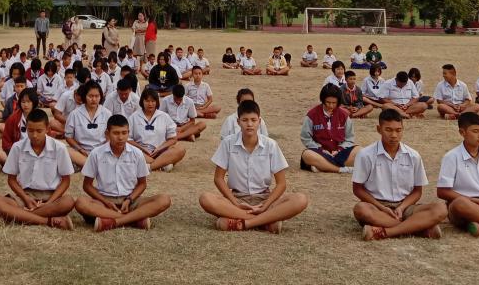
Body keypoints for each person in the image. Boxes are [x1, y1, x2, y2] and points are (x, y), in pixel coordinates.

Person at [200, 99, 308, 233]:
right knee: (206, 198)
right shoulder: (228, 143)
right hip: (237, 199)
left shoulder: (270, 145)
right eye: (245, 120)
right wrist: (235, 202)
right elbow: (218, 178)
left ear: (259, 121)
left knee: (300, 199)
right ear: (238, 122)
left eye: (253, 120)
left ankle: (245, 223)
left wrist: (265, 205)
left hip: (265, 199)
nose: (249, 124)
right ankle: (265, 221)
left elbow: (281, 184)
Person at [352, 109, 447, 241]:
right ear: (379, 129)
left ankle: (386, 232)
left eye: (398, 130)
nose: (394, 135)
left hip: (406, 207)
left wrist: (402, 208)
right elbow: (357, 189)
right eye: (388, 130)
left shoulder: (413, 156)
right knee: (361, 209)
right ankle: (419, 228)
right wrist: (381, 207)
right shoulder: (365, 155)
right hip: (377, 206)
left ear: (403, 129)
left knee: (441, 209)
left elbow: (417, 191)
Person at [74, 114, 172, 231]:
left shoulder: (137, 154)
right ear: (107, 134)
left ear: (128, 133)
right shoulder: (96, 153)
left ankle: (115, 221)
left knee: (164, 200)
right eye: (116, 133)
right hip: (104, 202)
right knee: (80, 202)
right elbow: (87, 185)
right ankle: (133, 219)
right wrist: (105, 202)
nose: (120, 137)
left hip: (131, 201)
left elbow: (142, 184)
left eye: (124, 133)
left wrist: (129, 199)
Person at [0, 108, 75, 229]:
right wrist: (26, 198)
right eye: (30, 130)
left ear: (48, 129)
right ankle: (47, 221)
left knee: (68, 201)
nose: (34, 135)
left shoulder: (59, 148)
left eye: (39, 131)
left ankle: (19, 216)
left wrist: (49, 203)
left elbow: (66, 180)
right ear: (26, 128)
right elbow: (11, 179)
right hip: (25, 195)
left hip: (51, 197)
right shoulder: (17, 147)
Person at [300, 84, 359, 173]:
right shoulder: (312, 115)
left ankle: (323, 166)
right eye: (328, 102)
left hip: (340, 153)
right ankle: (341, 169)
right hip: (320, 153)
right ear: (322, 100)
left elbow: (349, 139)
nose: (331, 106)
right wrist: (320, 149)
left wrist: (339, 149)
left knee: (361, 151)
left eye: (334, 103)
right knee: (307, 154)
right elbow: (305, 137)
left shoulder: (344, 115)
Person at [129, 87, 186, 172]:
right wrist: (142, 149)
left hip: (160, 152)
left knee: (180, 149)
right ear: (142, 101)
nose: (150, 104)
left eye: (153, 101)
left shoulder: (164, 116)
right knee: (129, 152)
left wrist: (159, 149)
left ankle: (150, 167)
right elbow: (128, 139)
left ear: (157, 102)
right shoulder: (134, 117)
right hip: (141, 152)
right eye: (147, 101)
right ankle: (161, 164)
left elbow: (173, 139)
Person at [64, 80, 113, 168]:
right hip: (81, 152)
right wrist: (80, 149)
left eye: (97, 96)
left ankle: (87, 165)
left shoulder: (107, 113)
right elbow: (68, 137)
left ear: (101, 96)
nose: (94, 99)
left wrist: (103, 149)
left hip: (101, 151)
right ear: (84, 96)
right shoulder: (75, 114)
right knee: (65, 150)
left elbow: (110, 136)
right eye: (90, 96)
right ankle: (93, 165)